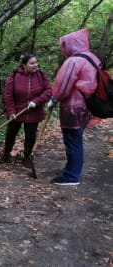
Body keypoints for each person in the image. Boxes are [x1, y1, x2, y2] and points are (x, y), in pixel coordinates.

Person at [47, 28, 101, 186]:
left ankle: (71, 176)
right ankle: (71, 170)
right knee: (75, 140)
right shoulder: (92, 58)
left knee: (72, 141)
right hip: (86, 107)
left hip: (74, 108)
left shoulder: (74, 61)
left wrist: (54, 98)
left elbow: (64, 85)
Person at [1, 53, 52, 166]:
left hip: (34, 112)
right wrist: (11, 112)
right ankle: (6, 154)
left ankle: (27, 157)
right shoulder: (14, 75)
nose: (35, 65)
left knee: (30, 135)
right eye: (32, 63)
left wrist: (36, 101)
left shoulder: (41, 75)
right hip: (17, 111)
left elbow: (48, 91)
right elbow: (8, 95)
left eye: (36, 62)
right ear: (24, 65)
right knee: (10, 133)